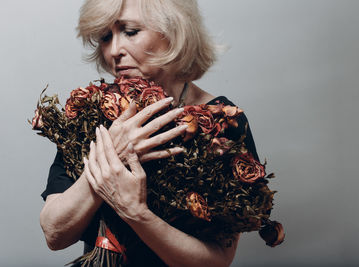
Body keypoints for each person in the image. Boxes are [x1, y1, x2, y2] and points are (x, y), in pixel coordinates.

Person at [40, 0, 259, 266]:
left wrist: (136, 213)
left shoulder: (222, 122)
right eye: (105, 37)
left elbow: (217, 260)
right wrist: (112, 154)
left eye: (130, 31)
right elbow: (54, 233)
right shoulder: (93, 112)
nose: (114, 50)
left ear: (174, 32)